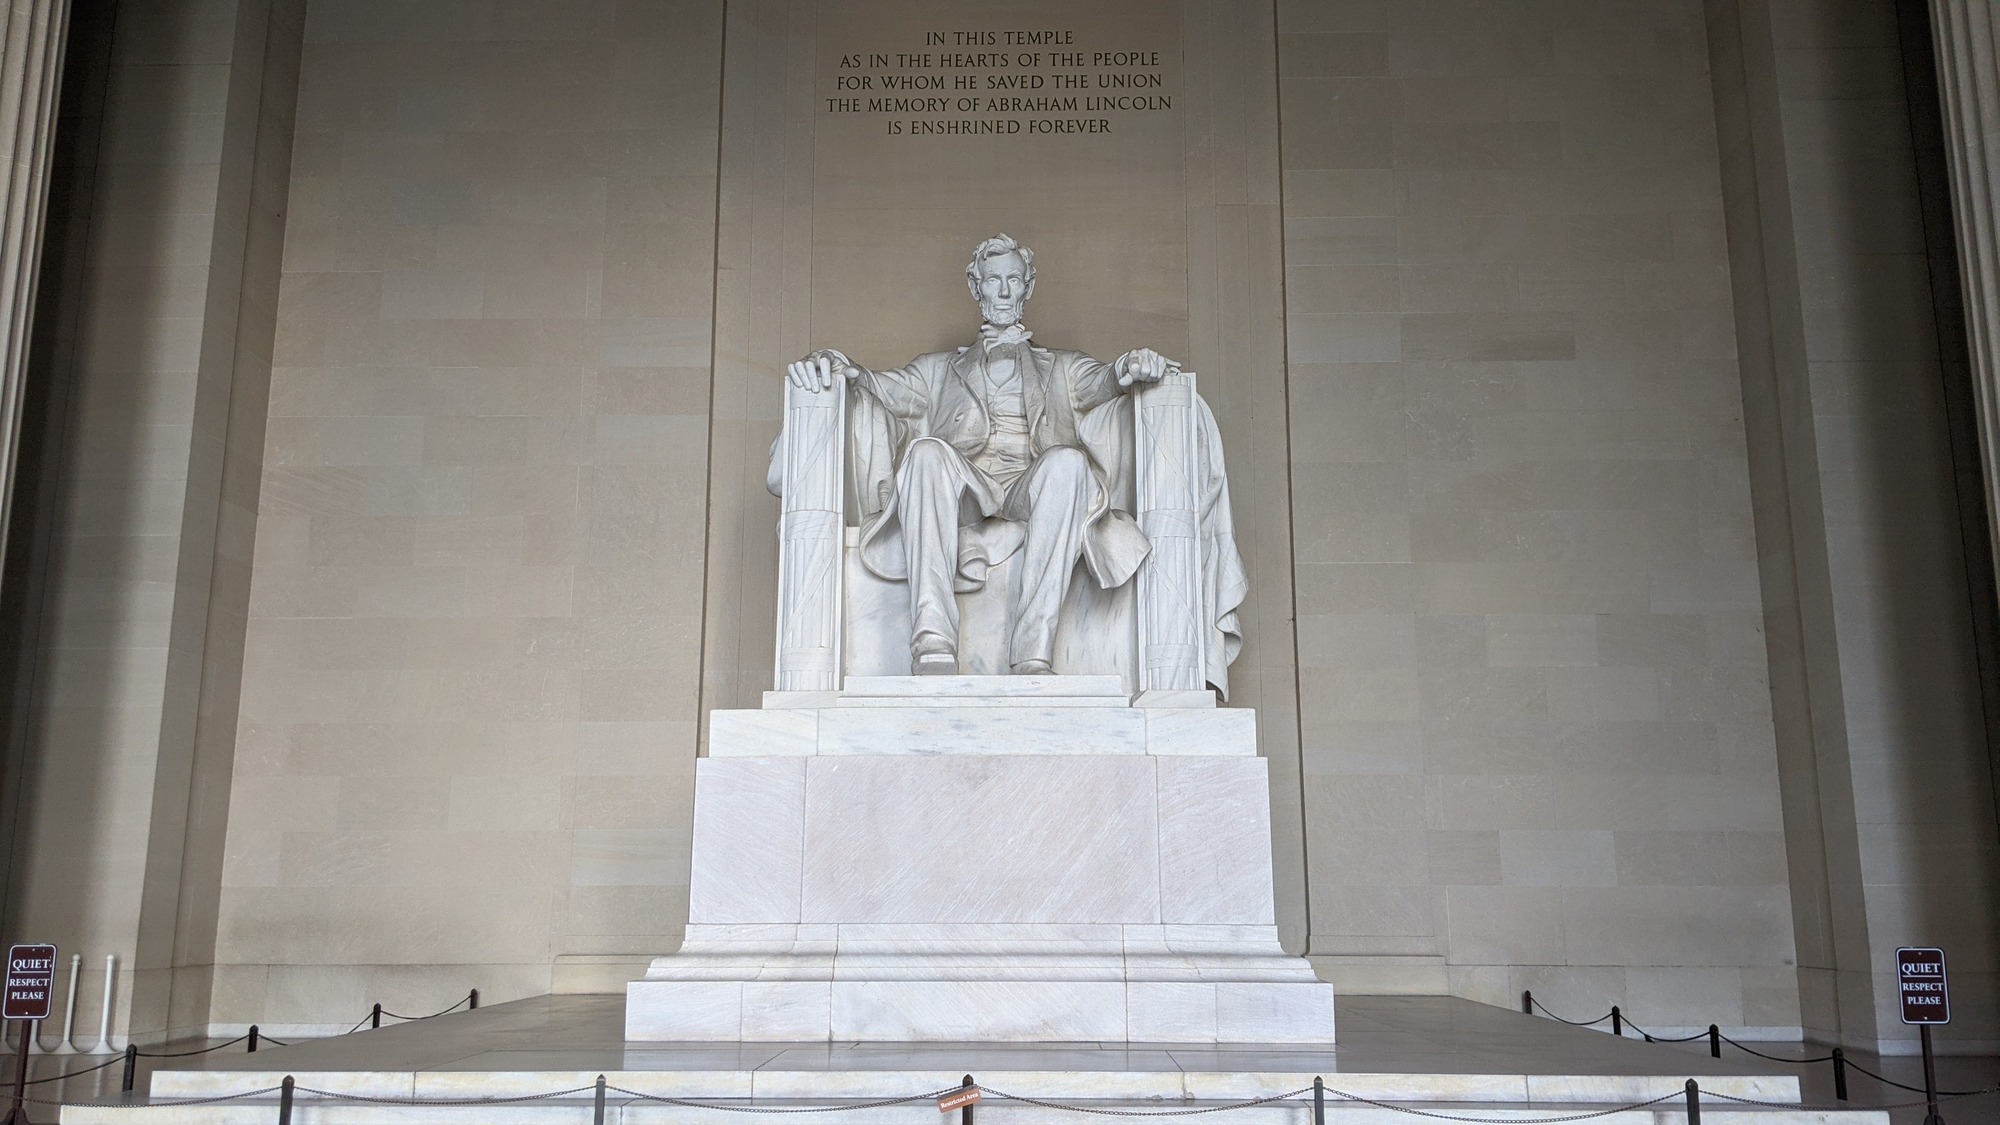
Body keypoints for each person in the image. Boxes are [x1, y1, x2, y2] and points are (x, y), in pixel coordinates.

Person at [786, 234, 1176, 675]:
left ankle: (1034, 650)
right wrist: (833, 361)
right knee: (926, 452)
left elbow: (1107, 379)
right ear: (976, 287)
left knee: (1069, 461)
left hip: (1032, 488)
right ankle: (932, 637)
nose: (1005, 292)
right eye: (994, 280)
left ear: (1028, 287)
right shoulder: (936, 370)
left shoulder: (1063, 367)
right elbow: (875, 384)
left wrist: (1131, 364)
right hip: (967, 488)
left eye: (1014, 280)